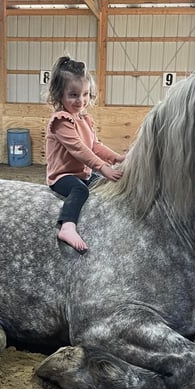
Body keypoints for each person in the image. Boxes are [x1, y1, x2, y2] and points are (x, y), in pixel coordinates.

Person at [45, 56, 124, 252]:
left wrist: (117, 159)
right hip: (62, 176)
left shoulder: (84, 119)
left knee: (105, 184)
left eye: (85, 94)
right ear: (59, 95)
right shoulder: (61, 120)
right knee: (80, 190)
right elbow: (79, 150)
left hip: (83, 174)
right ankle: (67, 227)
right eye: (73, 95)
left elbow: (95, 145)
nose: (81, 101)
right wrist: (103, 167)